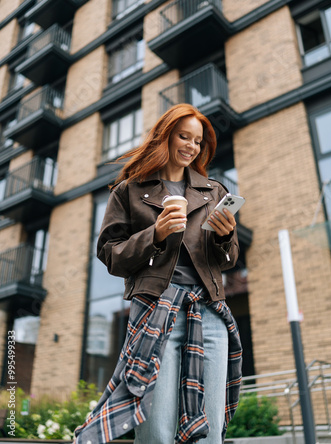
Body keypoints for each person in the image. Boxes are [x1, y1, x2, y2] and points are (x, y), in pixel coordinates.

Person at [73, 104, 242, 444]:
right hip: (155, 312)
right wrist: (156, 234)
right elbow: (111, 255)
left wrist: (225, 237)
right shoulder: (130, 191)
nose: (191, 146)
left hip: (208, 313)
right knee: (156, 429)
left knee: (209, 433)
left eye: (198, 141)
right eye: (184, 136)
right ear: (165, 136)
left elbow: (228, 260)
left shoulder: (214, 192)